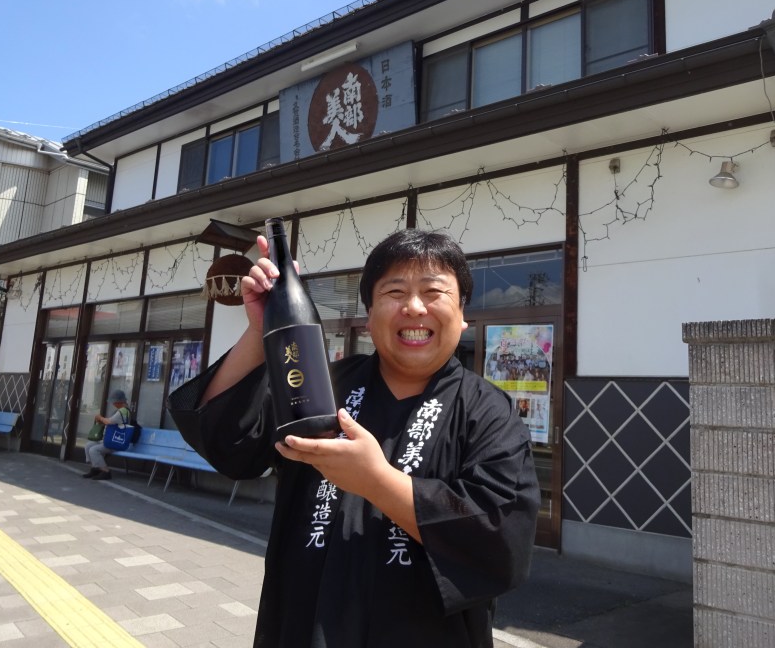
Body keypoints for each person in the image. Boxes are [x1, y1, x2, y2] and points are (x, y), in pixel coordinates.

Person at [168, 228, 540, 648]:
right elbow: (229, 443)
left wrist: (376, 482)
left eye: (434, 291)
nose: (414, 307)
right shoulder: (325, 385)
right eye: (394, 291)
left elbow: (501, 536)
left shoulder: (489, 411)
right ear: (368, 313)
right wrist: (260, 330)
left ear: (462, 313)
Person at [82, 389, 130, 480]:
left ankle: (105, 471)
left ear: (119, 401)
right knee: (88, 445)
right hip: (109, 439)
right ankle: (95, 468)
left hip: (116, 441)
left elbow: (109, 421)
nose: (113, 404)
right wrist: (101, 420)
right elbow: (111, 422)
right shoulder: (120, 410)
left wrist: (100, 417)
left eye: (114, 401)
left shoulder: (123, 411)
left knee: (94, 450)